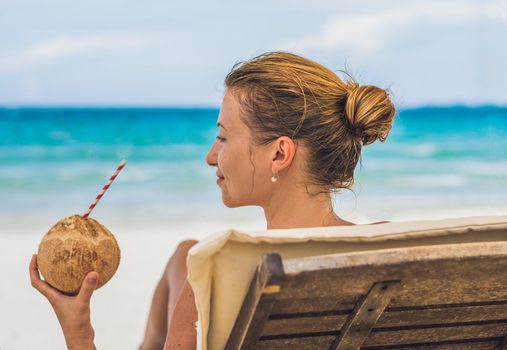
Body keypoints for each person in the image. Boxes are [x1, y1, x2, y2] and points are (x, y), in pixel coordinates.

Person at [29, 51, 396, 350]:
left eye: (223, 137)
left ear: (279, 154)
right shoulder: (391, 253)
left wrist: (79, 334)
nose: (210, 156)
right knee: (183, 252)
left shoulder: (215, 273)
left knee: (187, 257)